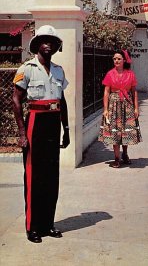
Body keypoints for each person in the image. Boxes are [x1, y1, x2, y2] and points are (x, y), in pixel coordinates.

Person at [12, 25, 70, 243]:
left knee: (51, 176)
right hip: (35, 123)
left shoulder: (58, 70)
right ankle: (33, 227)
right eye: (44, 40)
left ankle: (48, 224)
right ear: (37, 45)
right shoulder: (26, 69)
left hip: (53, 124)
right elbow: (16, 100)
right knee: (34, 177)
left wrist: (66, 129)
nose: (49, 44)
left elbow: (61, 100)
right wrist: (21, 132)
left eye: (52, 41)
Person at [98, 49, 142, 168]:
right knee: (115, 132)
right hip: (113, 105)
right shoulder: (110, 74)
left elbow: (134, 92)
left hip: (127, 105)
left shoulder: (130, 74)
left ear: (124, 60)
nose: (116, 61)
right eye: (114, 59)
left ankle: (125, 155)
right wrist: (105, 109)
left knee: (125, 131)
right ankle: (117, 158)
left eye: (118, 58)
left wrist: (136, 108)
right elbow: (106, 92)